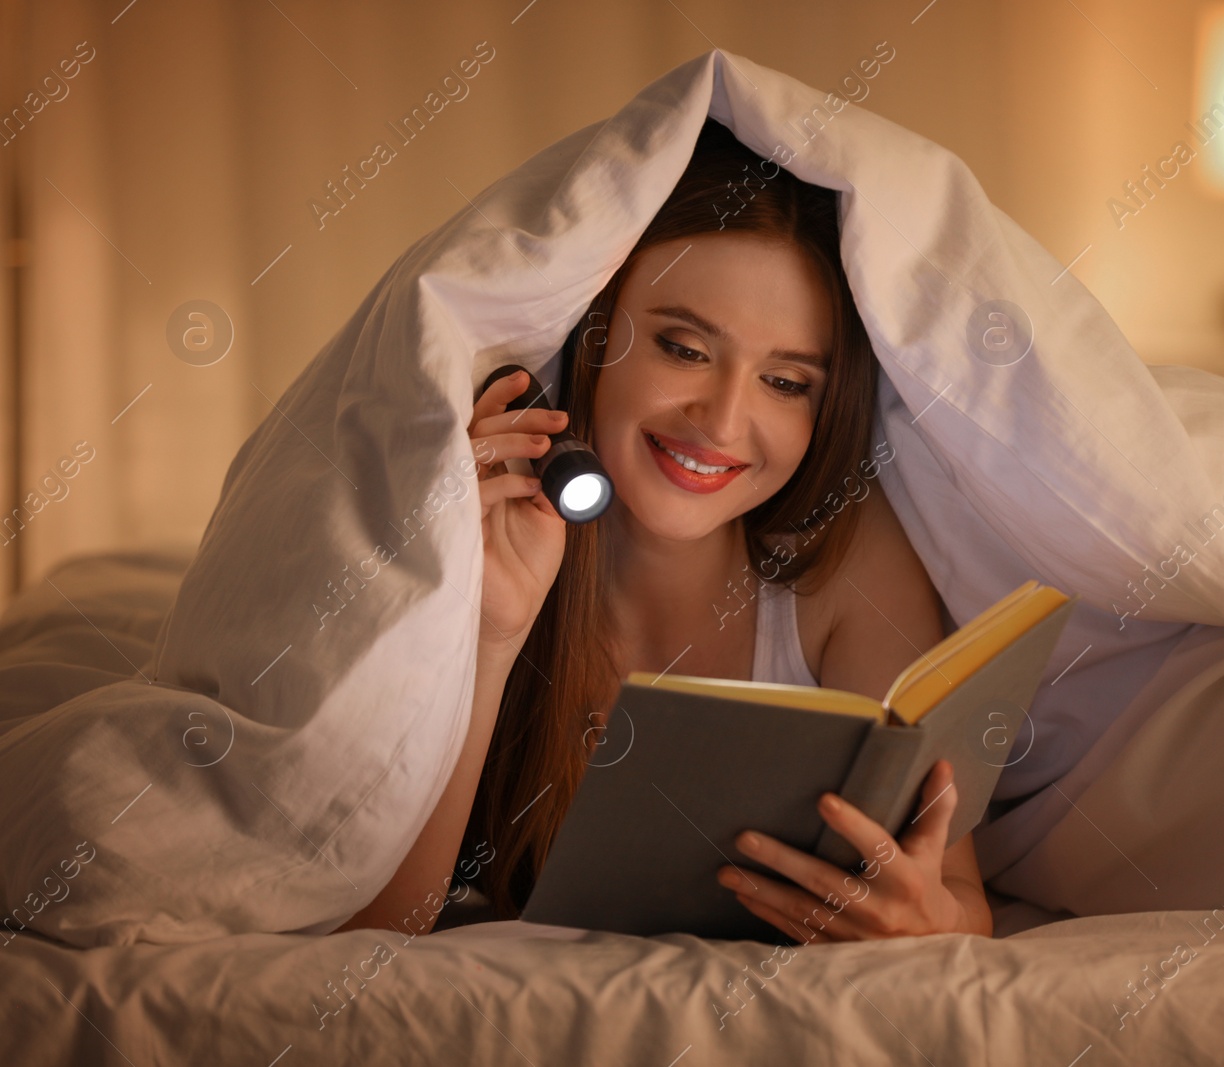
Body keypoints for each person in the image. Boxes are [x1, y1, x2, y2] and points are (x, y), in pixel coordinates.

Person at [335, 118, 992, 941]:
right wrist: (494, 633)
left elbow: (960, 900)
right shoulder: (485, 545)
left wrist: (929, 921)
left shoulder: (848, 557)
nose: (721, 420)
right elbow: (380, 936)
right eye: (683, 349)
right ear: (596, 335)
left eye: (786, 381)